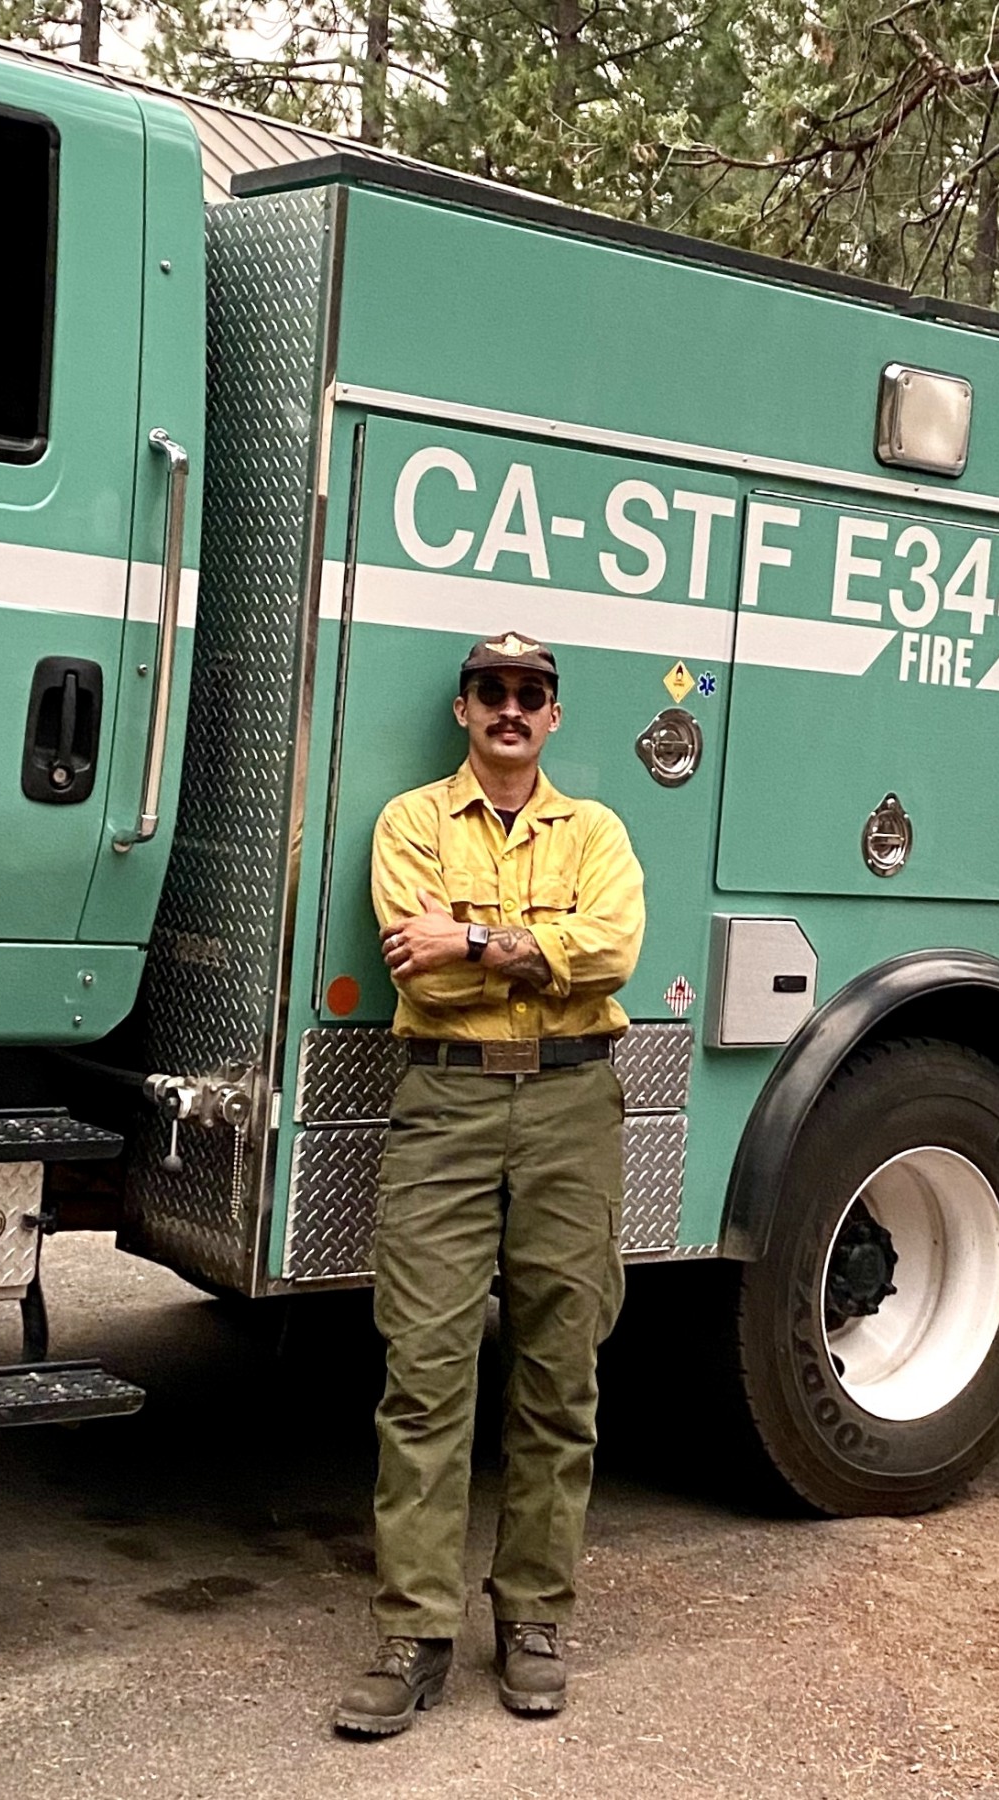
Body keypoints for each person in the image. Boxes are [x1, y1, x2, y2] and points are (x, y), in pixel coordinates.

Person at [332, 631, 646, 1737]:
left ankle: (535, 1618)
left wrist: (469, 936)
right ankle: (413, 1634)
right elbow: (414, 970)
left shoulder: (597, 831)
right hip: (448, 1107)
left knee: (560, 1372)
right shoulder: (410, 823)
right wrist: (529, 952)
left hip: (572, 1108)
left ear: (553, 716)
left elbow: (613, 954)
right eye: (491, 693)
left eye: (531, 695)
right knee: (424, 1371)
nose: (510, 709)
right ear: (463, 710)